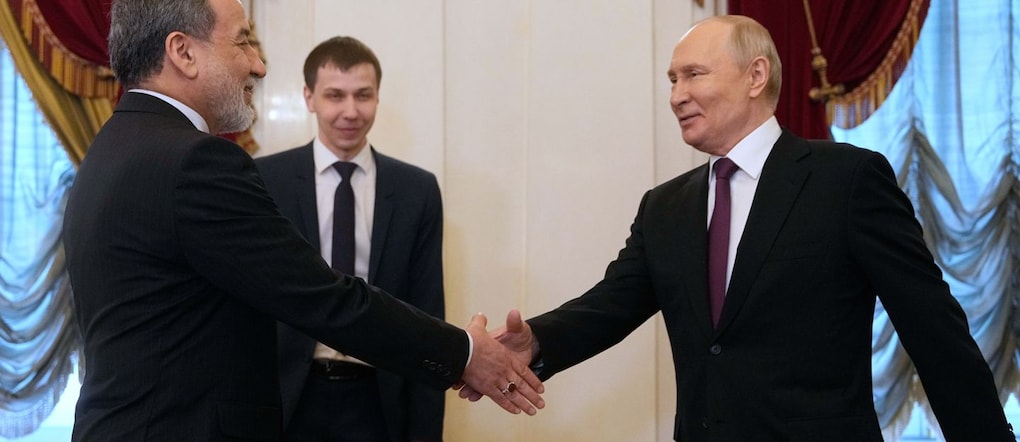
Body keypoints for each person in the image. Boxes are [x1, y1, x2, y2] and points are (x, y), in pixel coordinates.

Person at [463, 15, 1014, 441]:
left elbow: (933, 328)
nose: (677, 94)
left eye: (694, 74)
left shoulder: (845, 180)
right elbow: (609, 306)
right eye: (672, 79)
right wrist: (535, 339)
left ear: (757, 75)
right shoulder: (665, 207)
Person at [62, 0, 542, 440]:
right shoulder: (194, 163)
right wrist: (466, 353)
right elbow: (323, 298)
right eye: (244, 41)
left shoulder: (115, 146)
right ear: (183, 52)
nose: (258, 64)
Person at [254, 36, 447, 441]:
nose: (350, 111)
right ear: (309, 97)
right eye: (334, 95)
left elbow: (428, 314)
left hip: (380, 402)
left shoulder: (417, 190)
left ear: (378, 97)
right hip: (285, 399)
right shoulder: (265, 180)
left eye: (363, 95)